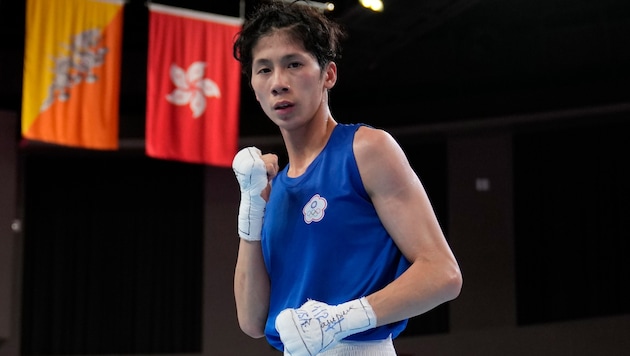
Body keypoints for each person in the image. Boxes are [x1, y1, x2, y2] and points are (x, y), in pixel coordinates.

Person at [231, 1, 462, 355]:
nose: (278, 83)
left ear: (328, 74)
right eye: (264, 70)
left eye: (293, 64)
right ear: (253, 84)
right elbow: (251, 321)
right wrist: (251, 210)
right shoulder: (269, 188)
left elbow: (442, 274)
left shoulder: (366, 150)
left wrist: (340, 319)